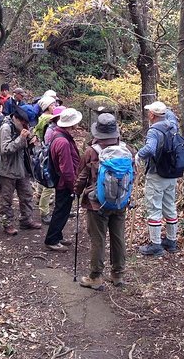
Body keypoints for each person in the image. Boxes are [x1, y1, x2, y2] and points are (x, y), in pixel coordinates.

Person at [75, 114, 132, 289]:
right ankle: (118, 275)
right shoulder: (127, 150)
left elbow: (81, 178)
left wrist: (76, 193)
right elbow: (131, 176)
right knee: (118, 237)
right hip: (120, 202)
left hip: (96, 204)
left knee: (98, 239)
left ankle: (96, 277)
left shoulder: (91, 152)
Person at [136, 101, 181, 257]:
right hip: (172, 173)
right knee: (169, 205)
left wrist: (138, 155)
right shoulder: (172, 125)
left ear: (152, 115)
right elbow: (170, 113)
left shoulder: (154, 130)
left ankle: (155, 245)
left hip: (157, 174)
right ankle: (171, 241)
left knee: (154, 208)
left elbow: (150, 148)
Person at [0, 106, 42, 235]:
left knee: (27, 194)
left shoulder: (21, 127)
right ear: (15, 118)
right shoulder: (6, 128)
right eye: (23, 122)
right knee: (7, 200)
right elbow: (4, 149)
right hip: (7, 169)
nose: (25, 125)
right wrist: (21, 138)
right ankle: (7, 224)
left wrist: (30, 141)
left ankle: (26, 220)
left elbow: (24, 147)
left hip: (22, 168)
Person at [44, 107, 82, 252]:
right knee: (61, 210)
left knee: (62, 210)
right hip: (64, 183)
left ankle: (57, 235)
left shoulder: (57, 134)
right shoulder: (63, 142)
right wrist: (74, 186)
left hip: (61, 181)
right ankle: (52, 239)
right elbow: (66, 169)